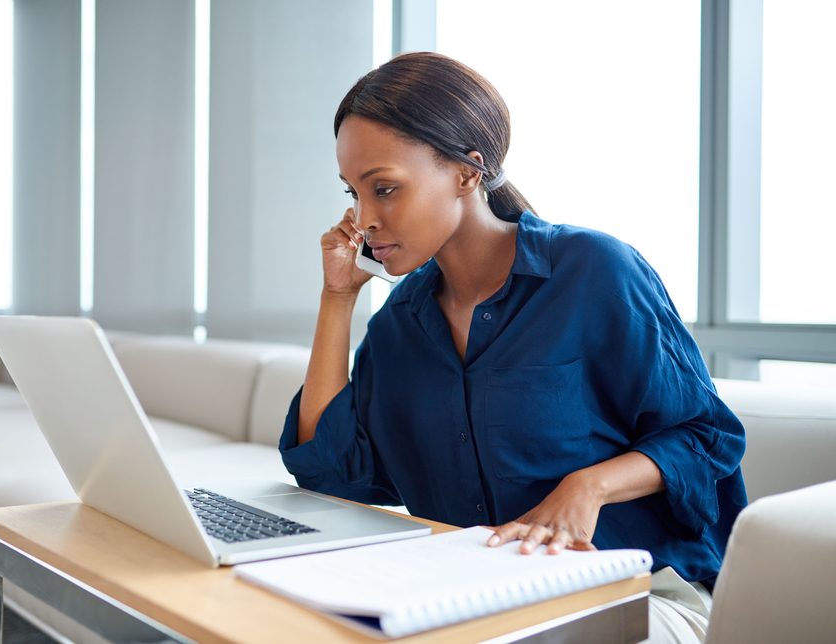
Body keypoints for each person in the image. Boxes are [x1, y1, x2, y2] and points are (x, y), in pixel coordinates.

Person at [277, 52, 746, 643]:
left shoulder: (594, 272)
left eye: (386, 188)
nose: (363, 218)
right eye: (354, 192)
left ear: (468, 173)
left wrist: (589, 486)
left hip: (635, 595)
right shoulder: (402, 322)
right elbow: (332, 474)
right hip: (469, 602)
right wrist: (337, 298)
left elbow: (706, 438)